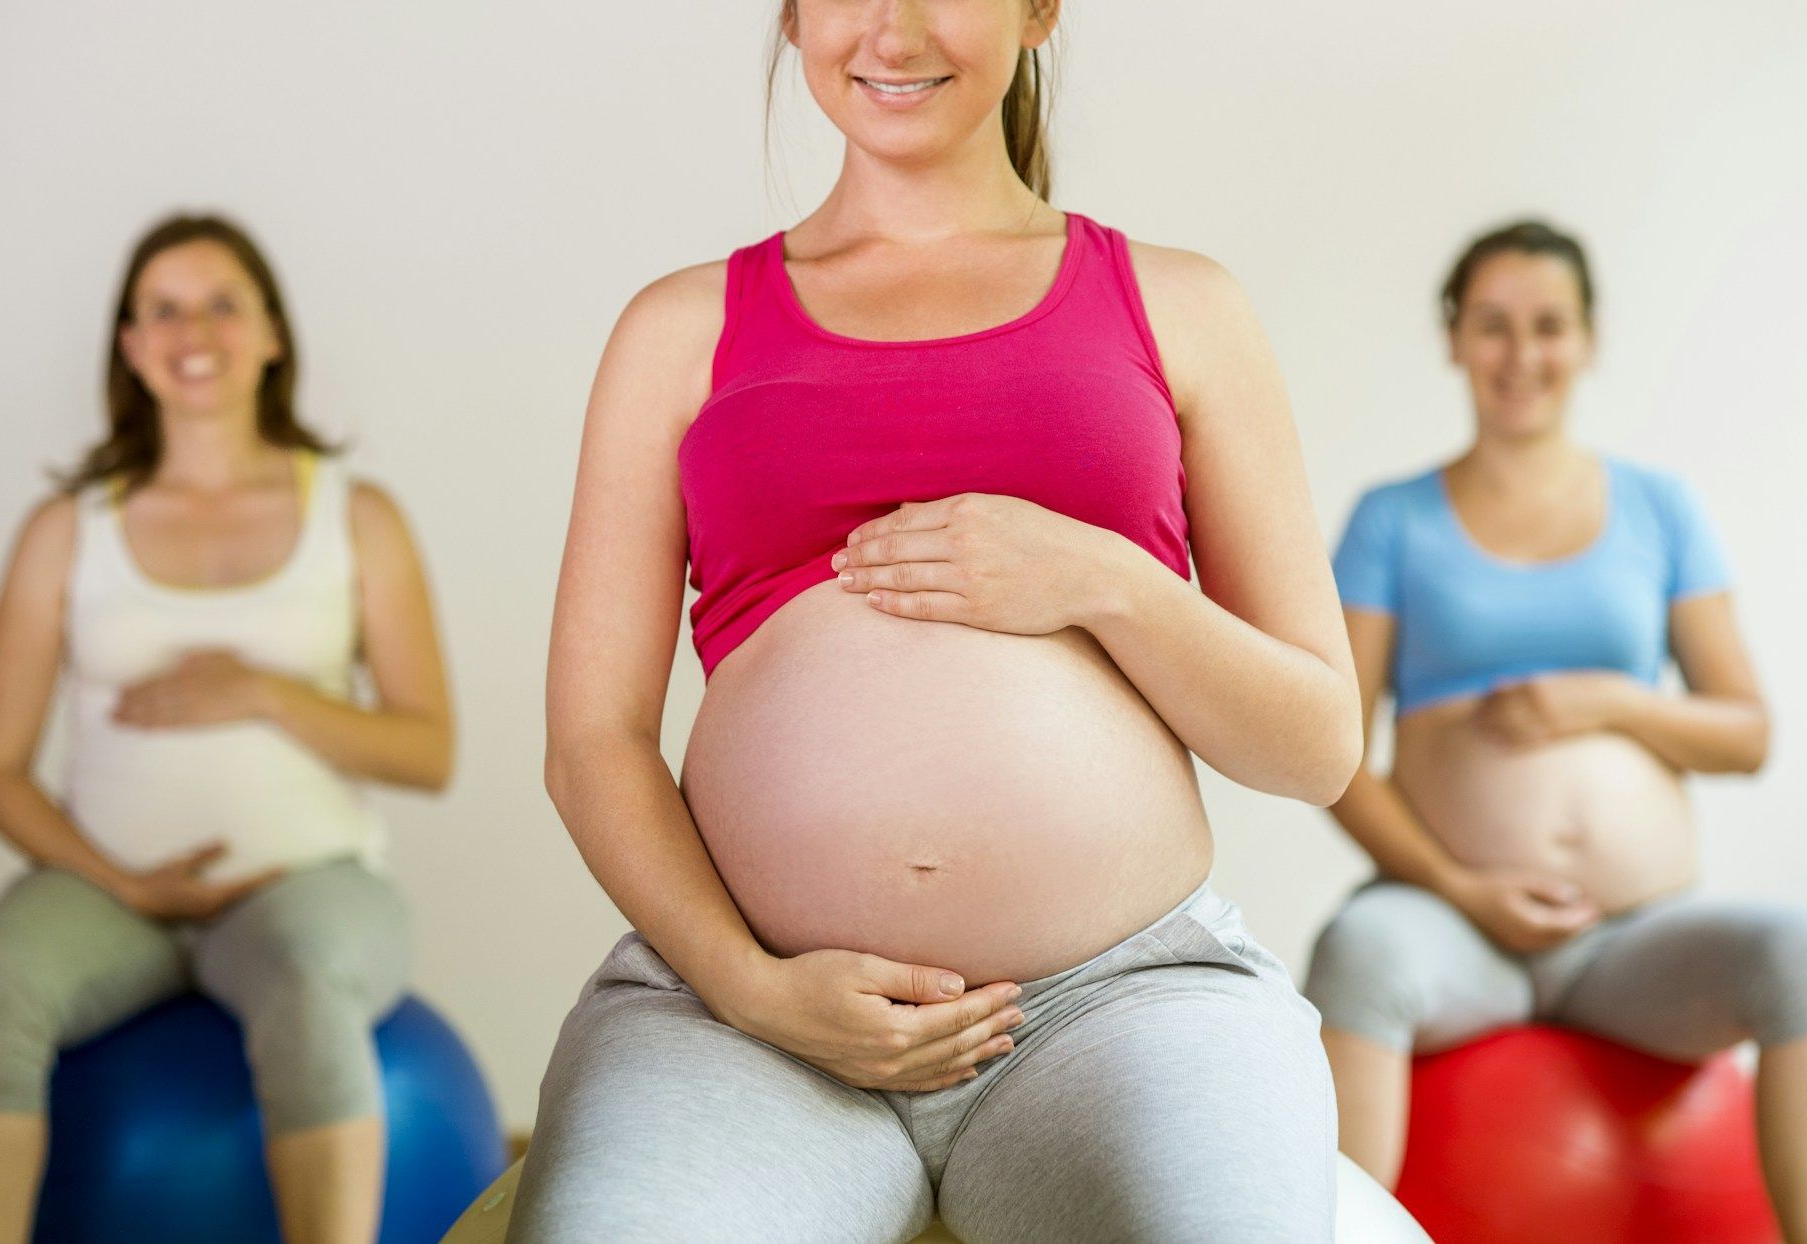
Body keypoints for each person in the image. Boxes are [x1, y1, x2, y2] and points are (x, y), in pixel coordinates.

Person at [517, 3, 1362, 1240]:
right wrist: (752, 986)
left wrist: (1100, 577)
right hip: (743, 1015)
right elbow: (593, 739)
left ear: (1036, 11)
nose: (892, 28)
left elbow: (1318, 743)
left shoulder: (1183, 305)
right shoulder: (678, 330)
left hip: (1116, 1002)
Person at [0, 214, 454, 1244]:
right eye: (162, 308)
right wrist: (122, 882)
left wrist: (265, 692)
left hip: (306, 887)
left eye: (222, 302)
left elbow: (428, 749)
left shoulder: (358, 515)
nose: (192, 329)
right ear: (129, 344)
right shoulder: (67, 528)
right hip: (111, 892)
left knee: (306, 982)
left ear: (271, 336)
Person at [1303, 219, 1807, 1239]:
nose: (1521, 354)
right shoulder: (1392, 520)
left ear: (1587, 339)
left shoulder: (1660, 509)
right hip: (1455, 928)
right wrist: (1464, 889)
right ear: (1454, 339)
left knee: (1799, 951)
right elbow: (1335, 748)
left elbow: (1745, 731)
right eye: (1492, 325)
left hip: (1632, 939)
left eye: (1548, 326)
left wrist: (1608, 700)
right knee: (1358, 946)